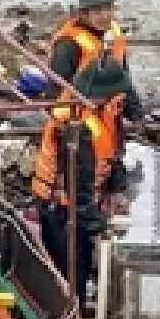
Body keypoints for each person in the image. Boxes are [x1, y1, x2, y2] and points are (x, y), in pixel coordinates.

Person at [48, 0, 143, 187]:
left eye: (108, 9)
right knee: (87, 173)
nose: (105, 16)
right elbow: (58, 91)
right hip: (84, 120)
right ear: (83, 14)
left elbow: (123, 75)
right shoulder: (69, 44)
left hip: (112, 115)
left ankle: (113, 191)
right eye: (97, 10)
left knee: (114, 159)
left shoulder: (114, 34)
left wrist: (135, 111)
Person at [31, 101, 119, 287]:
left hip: (72, 206)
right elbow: (77, 186)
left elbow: (109, 156)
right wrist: (97, 224)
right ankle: (70, 311)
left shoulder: (96, 117)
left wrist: (115, 186)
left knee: (74, 270)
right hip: (63, 210)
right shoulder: (77, 125)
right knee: (68, 276)